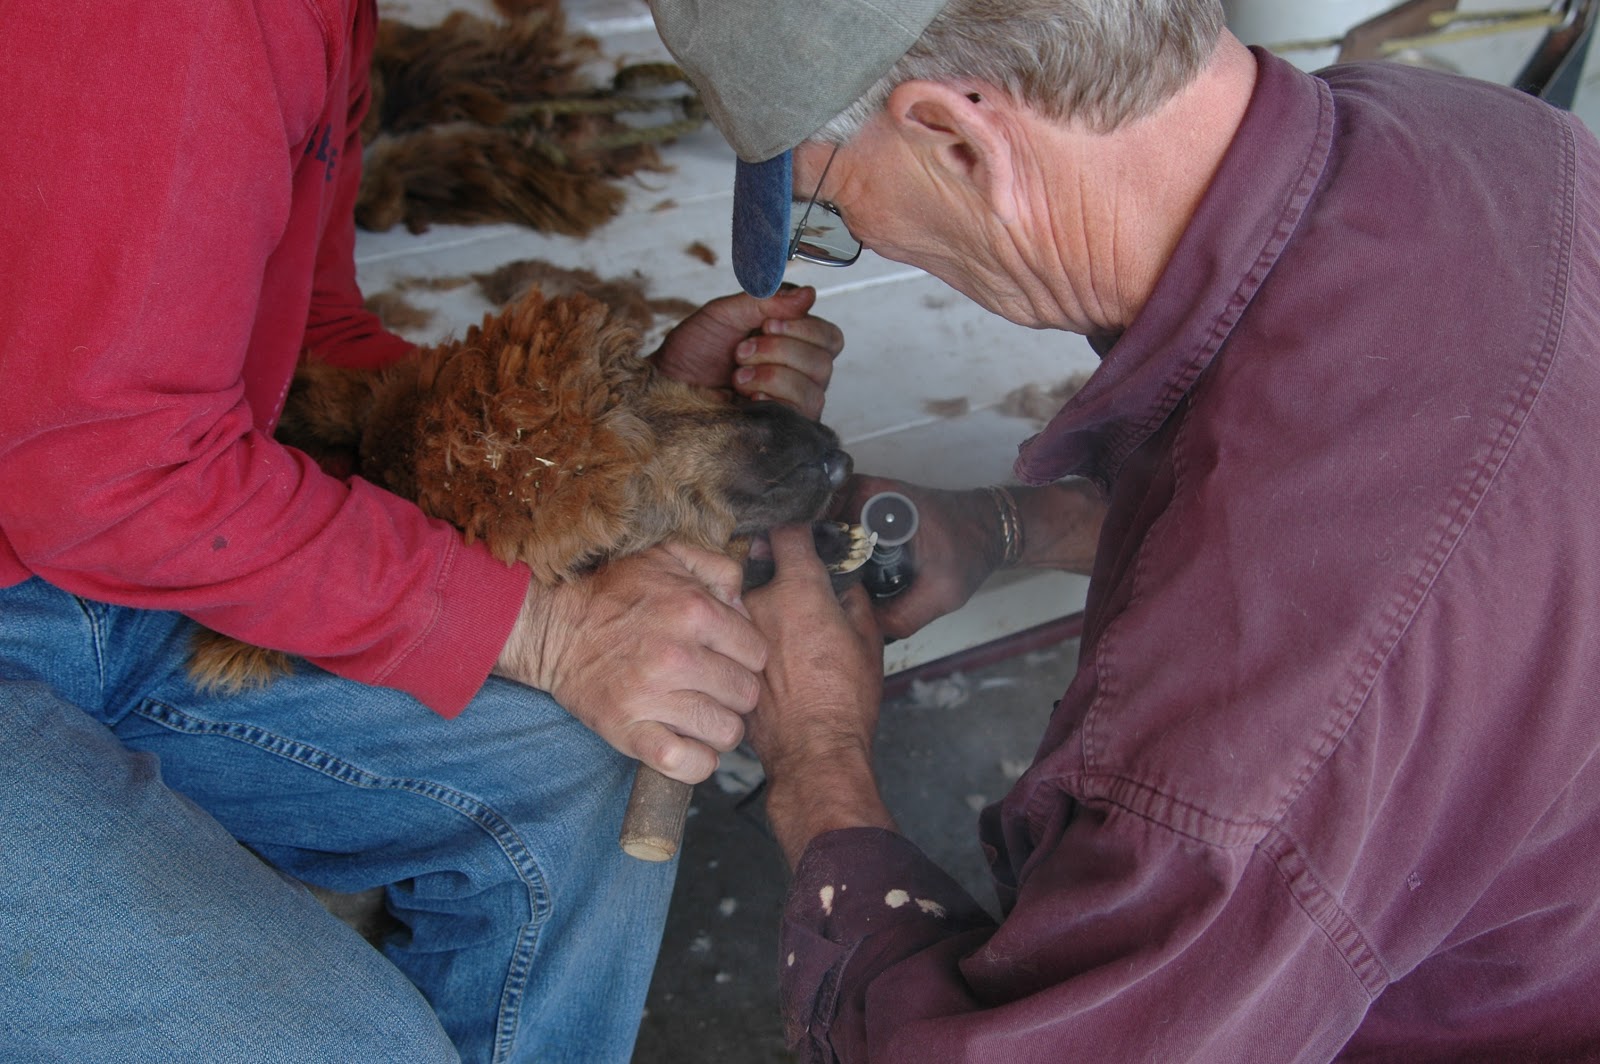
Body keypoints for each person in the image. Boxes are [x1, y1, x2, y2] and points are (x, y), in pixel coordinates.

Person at [649, 0, 1600, 1059]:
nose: (856, 244)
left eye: (831, 214)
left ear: (958, 143)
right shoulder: (1481, 133)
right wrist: (1007, 528)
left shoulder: (1243, 756)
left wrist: (816, 754)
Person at [0, 3, 843, 1062]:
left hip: (114, 574)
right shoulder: (185, 22)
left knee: (578, 762)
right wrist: (545, 631)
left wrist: (629, 435)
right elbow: (107, 475)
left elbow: (307, 339)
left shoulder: (321, 19)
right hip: (65, 554)